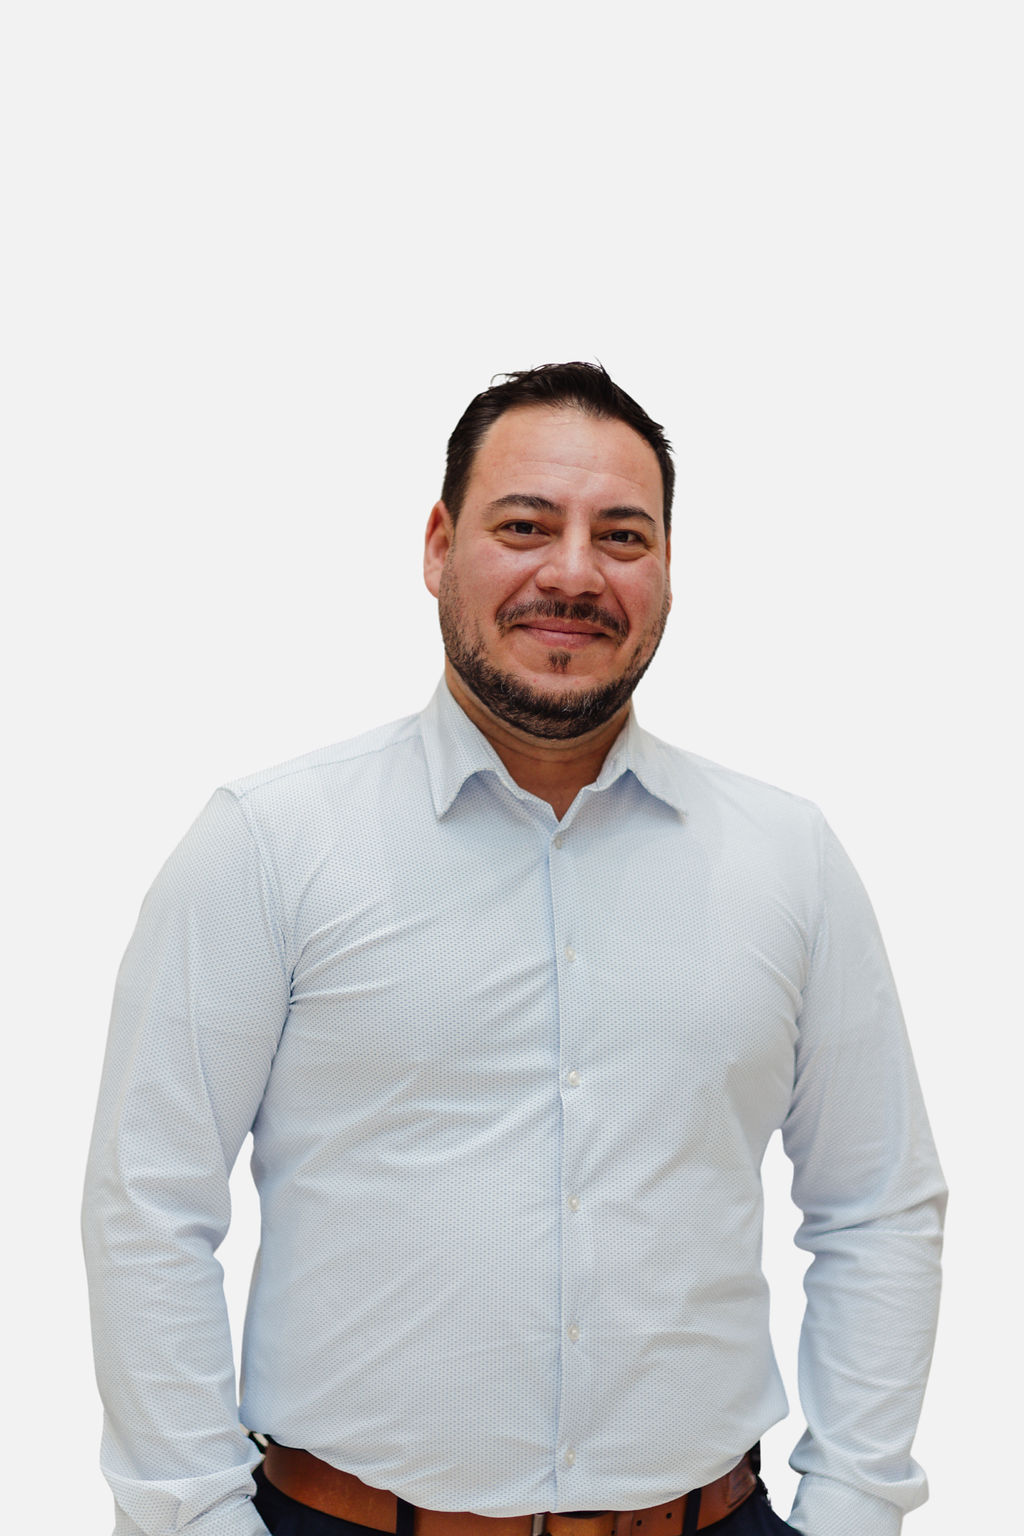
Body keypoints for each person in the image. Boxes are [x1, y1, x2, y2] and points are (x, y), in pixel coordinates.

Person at [83, 362, 945, 1536]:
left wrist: (852, 1506)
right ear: (439, 547)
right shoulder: (268, 845)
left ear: (668, 568)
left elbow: (876, 1203)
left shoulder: (786, 857)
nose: (574, 573)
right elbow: (149, 1203)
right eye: (525, 526)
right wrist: (193, 1520)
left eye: (622, 536)